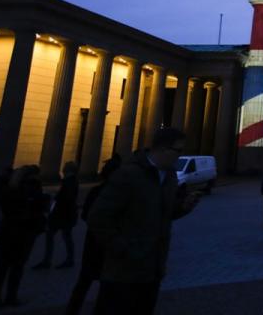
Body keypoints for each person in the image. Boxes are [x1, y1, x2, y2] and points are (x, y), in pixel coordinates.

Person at [89, 127, 200, 315]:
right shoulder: (128, 174)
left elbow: (162, 213)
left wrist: (183, 207)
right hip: (123, 271)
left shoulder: (170, 176)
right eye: (178, 150)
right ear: (163, 149)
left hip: (152, 269)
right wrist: (124, 249)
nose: (180, 156)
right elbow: (98, 218)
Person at [66, 158, 120, 315]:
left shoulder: (96, 191)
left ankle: (72, 310)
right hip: (108, 246)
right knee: (106, 285)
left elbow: (85, 215)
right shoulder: (116, 194)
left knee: (84, 283)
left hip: (93, 244)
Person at [0, 165, 47, 308]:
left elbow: (4, 211)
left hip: (9, 232)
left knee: (3, 266)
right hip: (23, 233)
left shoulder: (10, 191)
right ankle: (9, 297)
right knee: (16, 267)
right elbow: (36, 212)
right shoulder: (31, 192)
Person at [33, 161, 79, 269]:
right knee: (66, 236)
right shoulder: (72, 181)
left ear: (67, 169)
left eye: (64, 167)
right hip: (66, 214)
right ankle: (68, 259)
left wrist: (56, 199)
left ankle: (49, 260)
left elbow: (66, 199)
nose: (62, 168)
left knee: (52, 236)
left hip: (62, 214)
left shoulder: (69, 181)